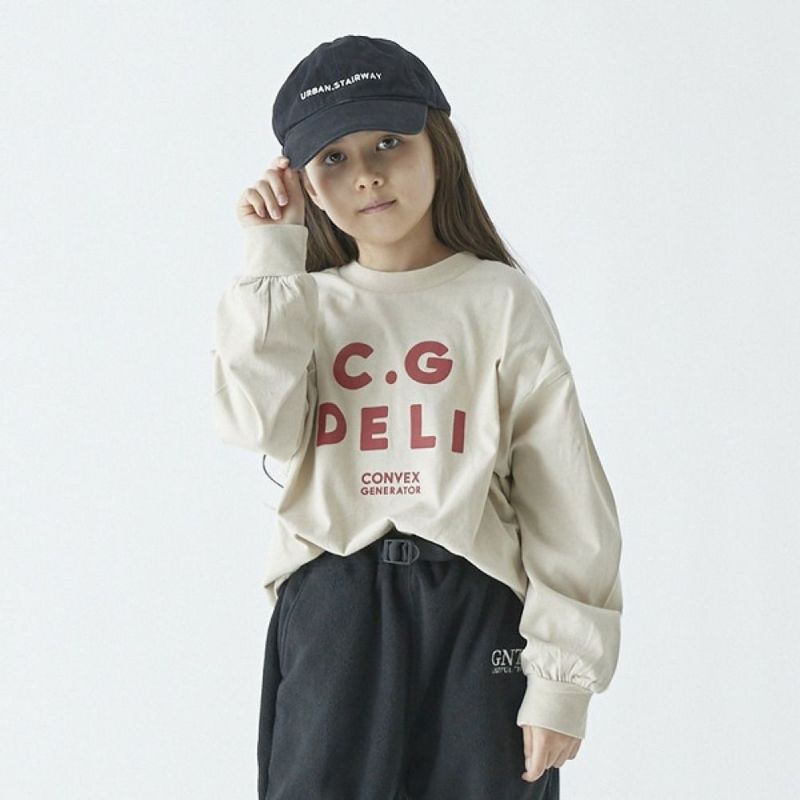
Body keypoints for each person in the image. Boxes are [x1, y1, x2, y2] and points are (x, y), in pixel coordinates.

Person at [212, 34, 623, 800]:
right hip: (334, 611)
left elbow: (564, 496)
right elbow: (254, 425)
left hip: (477, 610)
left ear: (438, 145)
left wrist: (563, 678)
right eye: (333, 157)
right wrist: (271, 254)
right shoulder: (301, 303)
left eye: (389, 142)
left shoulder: (500, 301)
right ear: (302, 181)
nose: (366, 174)